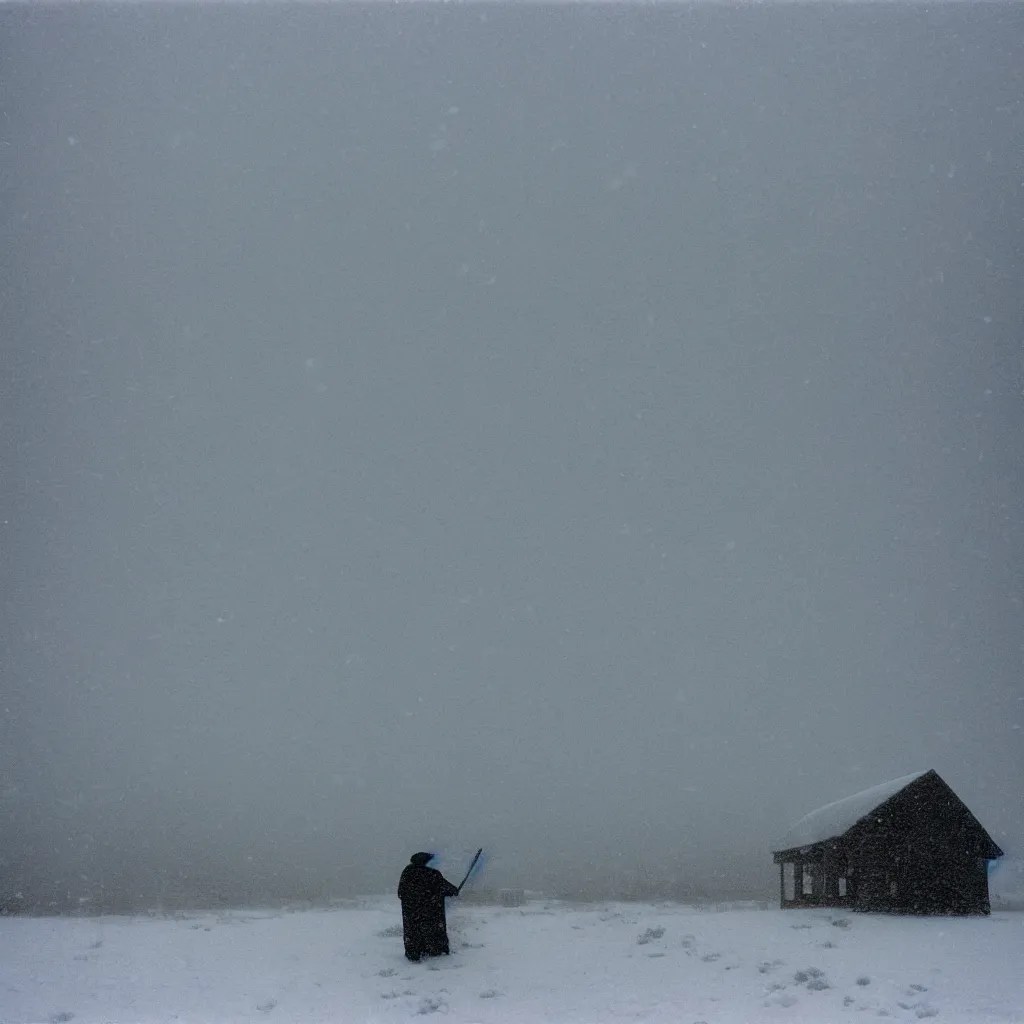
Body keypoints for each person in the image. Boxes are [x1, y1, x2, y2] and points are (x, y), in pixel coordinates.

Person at [397, 852, 460, 962]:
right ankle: (434, 950)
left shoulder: (407, 873)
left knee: (413, 934)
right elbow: (449, 889)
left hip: (411, 915)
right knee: (432, 934)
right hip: (431, 914)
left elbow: (401, 893)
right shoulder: (432, 874)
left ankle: (414, 953)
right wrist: (454, 891)